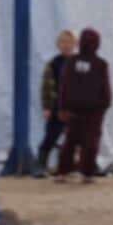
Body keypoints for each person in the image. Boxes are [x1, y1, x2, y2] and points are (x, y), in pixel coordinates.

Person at [55, 28, 112, 183]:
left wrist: (62, 107)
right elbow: (105, 88)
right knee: (90, 142)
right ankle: (86, 173)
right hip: (94, 111)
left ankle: (63, 171)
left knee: (70, 141)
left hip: (74, 109)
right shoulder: (100, 64)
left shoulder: (71, 62)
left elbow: (64, 86)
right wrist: (105, 104)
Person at [35, 29, 77, 176]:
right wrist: (46, 107)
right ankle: (40, 165)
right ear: (58, 44)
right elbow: (45, 87)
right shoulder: (53, 64)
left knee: (80, 137)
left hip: (75, 108)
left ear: (74, 44)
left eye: (69, 42)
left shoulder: (78, 63)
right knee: (51, 136)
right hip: (57, 107)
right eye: (63, 42)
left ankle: (86, 166)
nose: (66, 45)